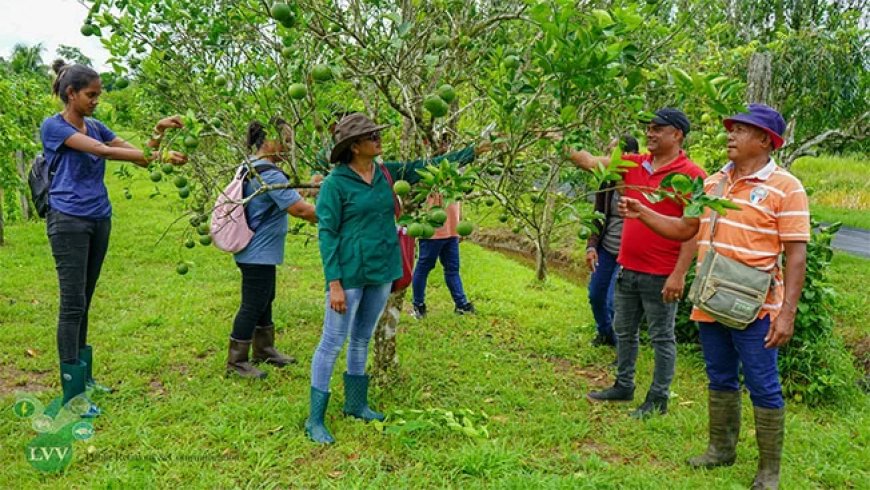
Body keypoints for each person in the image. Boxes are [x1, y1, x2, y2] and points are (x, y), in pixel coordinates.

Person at [618, 104, 806, 490]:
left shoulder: (787, 188)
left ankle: (768, 471)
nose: (730, 136)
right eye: (731, 129)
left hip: (758, 308)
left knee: (763, 383)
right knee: (719, 376)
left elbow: (796, 254)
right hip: (710, 299)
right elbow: (686, 228)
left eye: (740, 130)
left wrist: (787, 313)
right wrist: (643, 213)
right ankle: (721, 448)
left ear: (765, 141)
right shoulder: (714, 183)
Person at [305, 113, 486, 444]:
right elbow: (327, 233)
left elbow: (430, 164)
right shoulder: (335, 183)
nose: (378, 138)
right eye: (371, 135)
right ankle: (315, 419)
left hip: (382, 268)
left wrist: (474, 151)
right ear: (354, 146)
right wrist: (334, 283)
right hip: (350, 271)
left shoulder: (387, 172)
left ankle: (356, 404)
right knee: (332, 342)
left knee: (361, 338)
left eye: (377, 133)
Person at [41, 60, 187, 417]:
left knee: (85, 298)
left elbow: (139, 158)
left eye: (99, 96)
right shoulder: (54, 127)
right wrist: (161, 154)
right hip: (68, 220)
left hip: (97, 217)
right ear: (71, 93)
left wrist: (158, 133)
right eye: (91, 95)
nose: (95, 101)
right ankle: (72, 395)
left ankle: (85, 379)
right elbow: (103, 151)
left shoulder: (96, 125)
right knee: (72, 303)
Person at [566, 108, 706, 418]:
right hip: (628, 266)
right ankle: (624, 385)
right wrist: (561, 137)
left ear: (677, 135)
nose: (650, 133)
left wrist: (679, 274)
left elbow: (693, 230)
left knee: (661, 337)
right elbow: (587, 162)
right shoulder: (633, 164)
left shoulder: (692, 176)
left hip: (662, 273)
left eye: (658, 128)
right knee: (625, 330)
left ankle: (658, 399)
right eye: (649, 128)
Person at [226, 118, 318, 379]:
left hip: (255, 249)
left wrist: (314, 187)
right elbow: (299, 209)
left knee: (265, 298)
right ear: (267, 141)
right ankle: (236, 361)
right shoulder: (269, 173)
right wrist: (336, 213)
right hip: (257, 251)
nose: (289, 147)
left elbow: (285, 195)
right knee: (253, 303)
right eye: (286, 140)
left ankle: (264, 349)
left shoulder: (252, 166)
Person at [411, 135, 486, 318]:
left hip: (452, 230)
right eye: (442, 142)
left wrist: (460, 223)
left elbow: (458, 200)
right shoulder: (428, 169)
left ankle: (461, 304)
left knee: (452, 269)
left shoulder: (455, 171)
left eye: (447, 142)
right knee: (423, 268)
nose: (445, 145)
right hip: (433, 231)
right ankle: (418, 305)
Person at [585, 134, 639, 347]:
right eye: (610, 152)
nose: (611, 157)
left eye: (617, 152)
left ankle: (622, 348)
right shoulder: (606, 180)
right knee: (596, 295)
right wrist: (591, 246)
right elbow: (598, 214)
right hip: (608, 248)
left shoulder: (641, 182)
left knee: (613, 301)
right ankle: (605, 332)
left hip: (630, 252)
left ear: (632, 155)